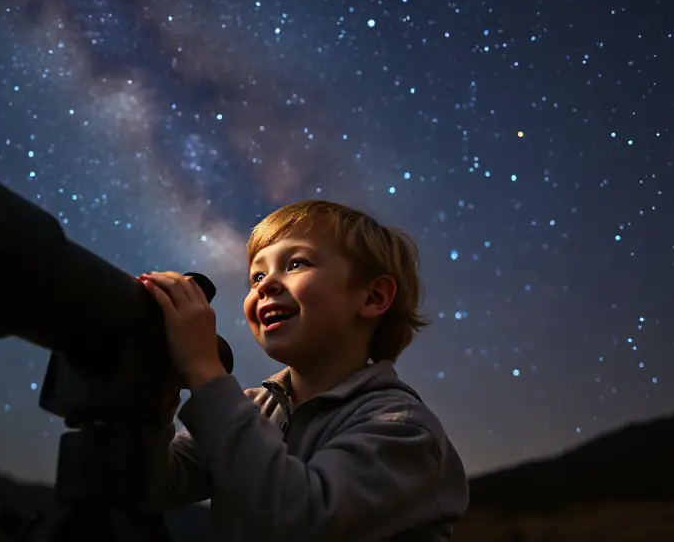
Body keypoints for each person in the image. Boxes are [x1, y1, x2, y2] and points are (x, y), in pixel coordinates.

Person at [138, 200, 469, 541]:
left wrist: (204, 370)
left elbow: (301, 517)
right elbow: (156, 484)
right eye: (257, 276)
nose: (265, 286)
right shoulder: (251, 410)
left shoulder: (403, 428)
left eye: (296, 263)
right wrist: (159, 390)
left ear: (373, 296)